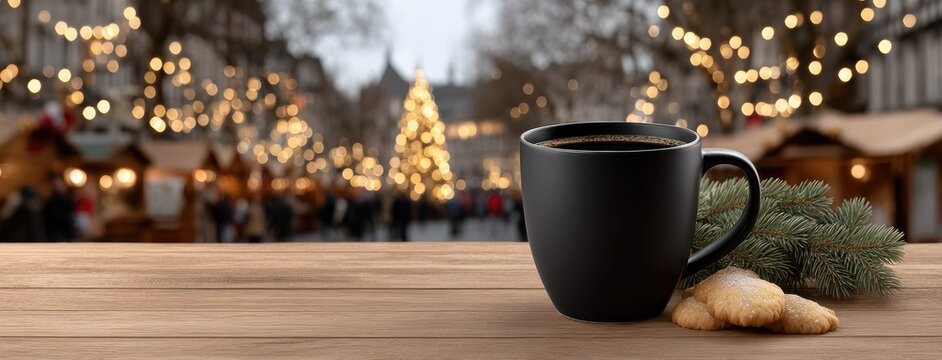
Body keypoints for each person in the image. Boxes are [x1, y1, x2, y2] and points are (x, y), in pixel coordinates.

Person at [43, 176, 76, 241]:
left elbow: (71, 214)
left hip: (65, 231)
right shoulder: (50, 200)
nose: (56, 186)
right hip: (52, 231)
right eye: (55, 184)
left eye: (58, 183)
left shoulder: (68, 199)